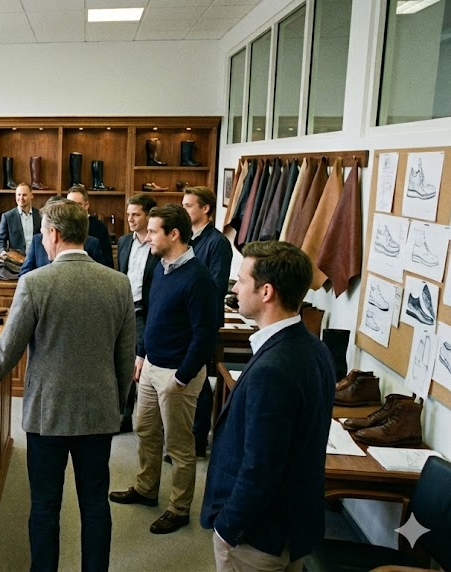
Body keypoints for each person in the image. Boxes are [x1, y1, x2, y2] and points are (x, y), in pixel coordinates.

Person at [0, 200, 135, 571]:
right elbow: (125, 359)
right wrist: (116, 404)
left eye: (42, 234)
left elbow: (8, 349)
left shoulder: (35, 283)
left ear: (54, 233)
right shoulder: (119, 284)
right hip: (98, 413)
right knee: (95, 504)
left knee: (44, 506)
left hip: (47, 414)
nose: (41, 241)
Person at [201, 241, 335, 571]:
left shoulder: (272, 369)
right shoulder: (314, 348)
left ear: (266, 292)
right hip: (293, 527)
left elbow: (261, 467)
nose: (235, 288)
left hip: (258, 538)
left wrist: (228, 528)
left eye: (242, 280)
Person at [109, 203, 217, 535]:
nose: (147, 237)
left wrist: (182, 377)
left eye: (154, 231)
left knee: (179, 446)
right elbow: (153, 316)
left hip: (177, 374)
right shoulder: (161, 268)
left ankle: (179, 508)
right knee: (145, 430)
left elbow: (204, 336)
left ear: (174, 234)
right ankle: (146, 488)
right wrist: (141, 355)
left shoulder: (198, 279)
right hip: (151, 365)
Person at [183, 185, 234, 458]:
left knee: (199, 380)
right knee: (188, 379)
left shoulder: (217, 243)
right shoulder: (189, 238)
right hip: (186, 321)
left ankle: (198, 440)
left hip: (202, 323)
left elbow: (216, 287)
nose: (184, 210)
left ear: (205, 209)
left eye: (188, 205)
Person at [116, 194, 159, 433]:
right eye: (128, 214)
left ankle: (144, 417)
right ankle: (123, 417)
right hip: (124, 310)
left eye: (136, 215)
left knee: (141, 365)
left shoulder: (156, 244)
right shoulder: (124, 242)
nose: (130, 219)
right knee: (123, 363)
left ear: (148, 215)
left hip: (146, 312)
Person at [20, 196, 104, 274]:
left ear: (53, 232)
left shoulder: (92, 243)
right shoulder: (113, 278)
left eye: (44, 233)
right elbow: (25, 270)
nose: (43, 241)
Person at [66, 185, 114, 268]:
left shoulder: (99, 227)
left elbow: (107, 262)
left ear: (86, 205)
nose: (74, 208)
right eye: (70, 204)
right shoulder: (63, 225)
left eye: (78, 204)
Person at [0, 182, 41, 256]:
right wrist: (2, 253)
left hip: (37, 258)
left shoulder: (40, 215)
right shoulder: (7, 217)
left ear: (31, 195)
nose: (21, 198)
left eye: (24, 195)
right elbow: (0, 241)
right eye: (19, 195)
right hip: (16, 259)